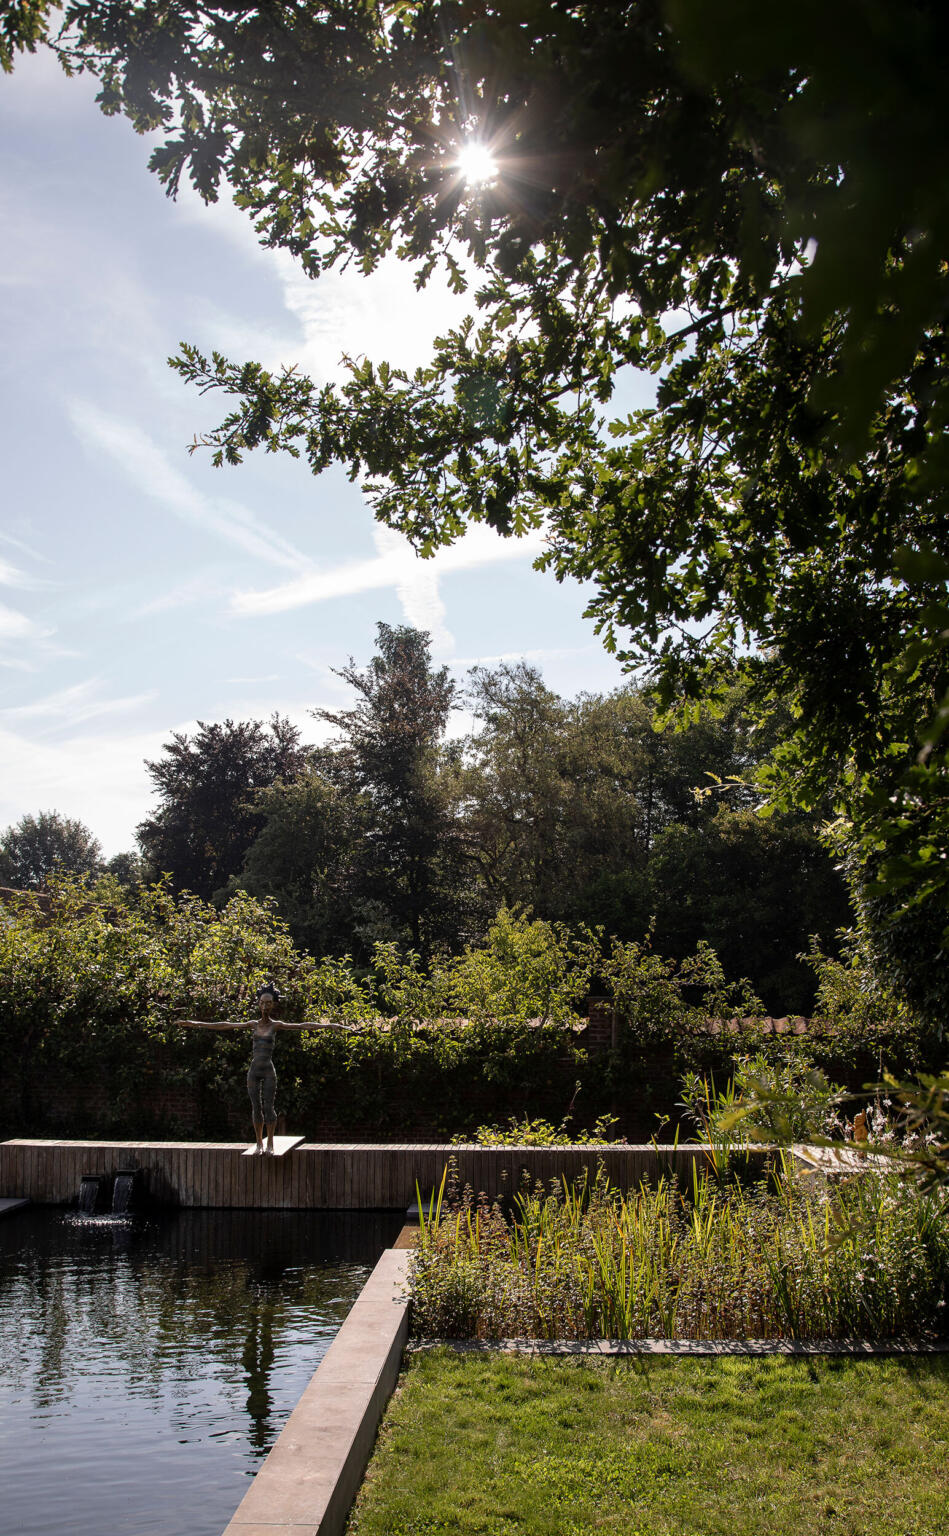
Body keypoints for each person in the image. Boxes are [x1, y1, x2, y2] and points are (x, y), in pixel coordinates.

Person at [179, 982, 356, 1154]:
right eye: (262, 1003)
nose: (265, 1006)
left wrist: (332, 1026)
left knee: (269, 1107)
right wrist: (195, 1024)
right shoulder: (253, 1024)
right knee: (256, 1107)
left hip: (268, 1070)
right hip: (254, 1071)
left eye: (268, 1003)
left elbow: (304, 1026)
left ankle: (270, 1142)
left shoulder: (275, 1025)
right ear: (258, 1004)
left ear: (273, 1005)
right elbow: (225, 1025)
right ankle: (258, 1143)